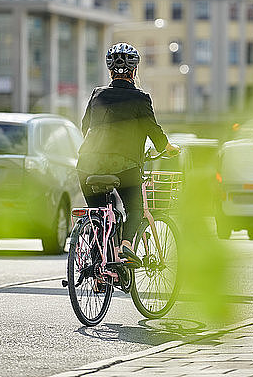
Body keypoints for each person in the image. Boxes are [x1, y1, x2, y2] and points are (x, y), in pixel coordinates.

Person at [77, 42, 180, 265]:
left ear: (110, 70)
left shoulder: (97, 94)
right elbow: (153, 131)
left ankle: (97, 266)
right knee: (135, 209)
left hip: (86, 165)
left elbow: (85, 127)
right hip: (125, 166)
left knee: (98, 215)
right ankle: (125, 247)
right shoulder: (140, 98)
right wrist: (167, 148)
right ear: (134, 70)